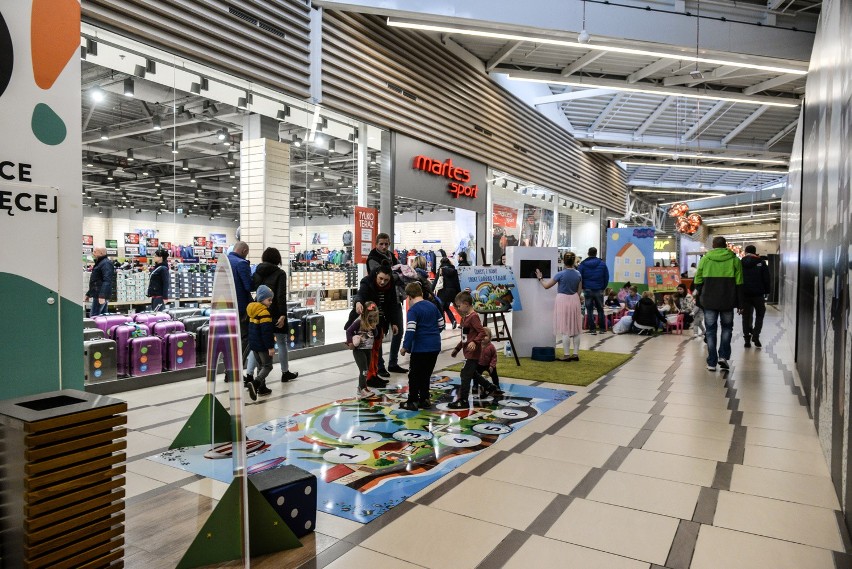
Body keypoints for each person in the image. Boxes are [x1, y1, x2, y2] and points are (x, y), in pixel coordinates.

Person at [247, 247, 299, 383]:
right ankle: (285, 372)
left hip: (259, 312)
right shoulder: (280, 273)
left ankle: (249, 375)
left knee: (256, 345)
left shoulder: (257, 271)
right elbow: (281, 295)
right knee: (281, 343)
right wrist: (282, 314)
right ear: (277, 259)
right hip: (275, 312)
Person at [694, 236, 743, 371]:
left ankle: (711, 362)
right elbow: (739, 283)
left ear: (714, 246)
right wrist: (740, 303)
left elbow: (697, 279)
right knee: (727, 328)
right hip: (728, 301)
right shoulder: (734, 260)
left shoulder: (705, 259)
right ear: (725, 245)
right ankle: (723, 356)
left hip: (709, 301)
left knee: (710, 331)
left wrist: (700, 291)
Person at [449, 291, 501, 409]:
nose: (458, 308)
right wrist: (457, 349)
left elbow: (481, 332)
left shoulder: (473, 317)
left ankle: (463, 400)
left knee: (465, 375)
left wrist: (474, 342)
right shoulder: (465, 318)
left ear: (466, 304)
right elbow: (465, 337)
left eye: (459, 305)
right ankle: (490, 387)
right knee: (472, 373)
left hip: (473, 353)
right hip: (467, 352)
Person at [349, 266, 400, 383]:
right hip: (367, 323)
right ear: (376, 274)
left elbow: (392, 304)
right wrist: (358, 303)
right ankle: (369, 377)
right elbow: (360, 294)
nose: (383, 282)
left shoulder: (391, 285)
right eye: (381, 278)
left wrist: (394, 322)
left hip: (379, 322)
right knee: (369, 350)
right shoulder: (367, 281)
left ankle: (374, 374)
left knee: (376, 349)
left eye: (386, 280)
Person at [365, 233, 406, 375]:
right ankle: (380, 366)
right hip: (379, 301)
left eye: (386, 244)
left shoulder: (391, 256)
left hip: (395, 299)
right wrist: (397, 275)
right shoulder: (372, 258)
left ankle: (393, 363)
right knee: (379, 334)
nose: (384, 247)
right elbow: (383, 276)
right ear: (376, 244)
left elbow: (397, 276)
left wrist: (398, 276)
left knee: (399, 330)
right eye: (381, 244)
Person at [399, 282, 444, 410]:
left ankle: (412, 400)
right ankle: (425, 399)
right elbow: (441, 325)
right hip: (435, 346)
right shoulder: (432, 306)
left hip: (420, 347)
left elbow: (411, 330)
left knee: (414, 375)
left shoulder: (413, 310)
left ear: (409, 297)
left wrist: (405, 347)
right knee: (426, 374)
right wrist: (432, 334)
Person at [536, 251, 583, 362]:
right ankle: (575, 354)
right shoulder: (578, 274)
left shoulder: (560, 274)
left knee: (565, 328)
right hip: (574, 299)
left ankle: (566, 355)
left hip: (563, 300)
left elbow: (546, 286)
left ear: (563, 261)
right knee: (576, 328)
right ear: (573, 261)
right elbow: (579, 291)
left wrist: (540, 278)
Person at [227, 241, 254, 383]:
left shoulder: (224, 261)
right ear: (243, 250)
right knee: (245, 339)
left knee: (230, 340)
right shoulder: (242, 264)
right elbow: (248, 285)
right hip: (241, 308)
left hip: (225, 307)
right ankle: (236, 371)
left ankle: (228, 372)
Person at [346, 301, 383, 397]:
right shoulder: (359, 322)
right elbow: (349, 331)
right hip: (359, 350)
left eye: (374, 316)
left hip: (368, 349)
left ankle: (361, 387)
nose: (372, 318)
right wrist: (350, 342)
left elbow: (376, 335)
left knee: (366, 369)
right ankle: (362, 388)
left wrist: (375, 328)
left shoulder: (372, 324)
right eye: (370, 316)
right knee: (364, 370)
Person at [245, 285, 276, 401]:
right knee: (268, 366)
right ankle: (255, 383)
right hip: (263, 346)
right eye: (269, 299)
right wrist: (270, 347)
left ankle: (262, 388)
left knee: (260, 366)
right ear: (262, 299)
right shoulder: (264, 313)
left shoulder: (252, 311)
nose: (271, 302)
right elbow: (266, 332)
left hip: (254, 345)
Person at [740, 245, 771, 348]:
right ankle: (756, 335)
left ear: (745, 252)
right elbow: (766, 278)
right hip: (758, 294)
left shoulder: (740, 263)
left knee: (746, 317)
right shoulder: (761, 263)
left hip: (744, 294)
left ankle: (746, 340)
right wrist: (766, 292)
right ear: (755, 252)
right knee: (760, 315)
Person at [577, 247, 610, 335]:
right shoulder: (602, 264)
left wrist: (583, 287)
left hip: (587, 290)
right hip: (599, 289)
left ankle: (592, 329)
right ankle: (602, 329)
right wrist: (603, 287)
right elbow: (606, 277)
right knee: (600, 309)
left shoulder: (582, 265)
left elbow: (579, 277)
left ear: (588, 253)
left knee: (590, 310)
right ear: (596, 253)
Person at [86, 247, 114, 316]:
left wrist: (102, 296)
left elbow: (107, 280)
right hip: (98, 294)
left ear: (101, 253)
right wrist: (89, 294)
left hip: (100, 294)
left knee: (94, 317)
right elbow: (95, 280)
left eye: (95, 252)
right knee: (102, 316)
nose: (93, 253)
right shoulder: (100, 263)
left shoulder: (106, 263)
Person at [435, 257, 461, 329]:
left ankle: (443, 324)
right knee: (446, 307)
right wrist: (459, 293)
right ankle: (453, 321)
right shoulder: (454, 271)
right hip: (452, 293)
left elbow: (435, 282)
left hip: (442, 292)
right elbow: (457, 283)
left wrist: (431, 291)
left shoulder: (441, 270)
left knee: (441, 308)